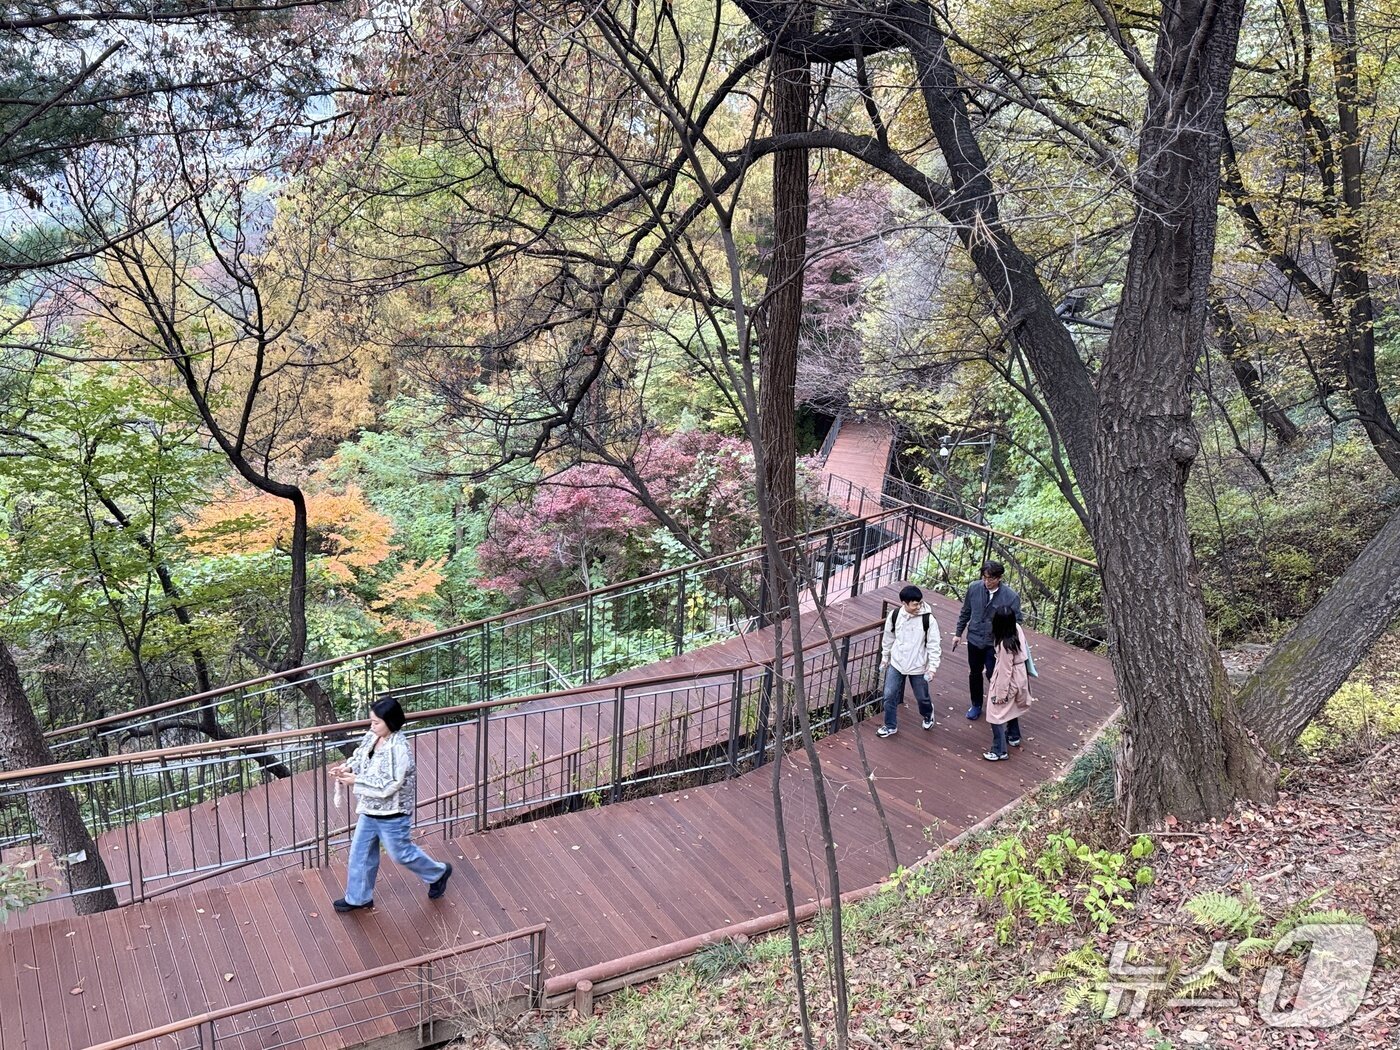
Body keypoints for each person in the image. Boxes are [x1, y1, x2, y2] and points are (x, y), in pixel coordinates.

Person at [330, 697, 452, 913]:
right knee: (360, 853)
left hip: (393, 814)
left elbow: (389, 785)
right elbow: (360, 758)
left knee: (401, 854)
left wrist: (356, 781)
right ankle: (358, 898)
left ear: (391, 722)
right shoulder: (373, 737)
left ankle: (438, 873)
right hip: (369, 810)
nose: (372, 725)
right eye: (371, 721)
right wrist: (346, 768)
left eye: (376, 722)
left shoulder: (399, 749)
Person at [951, 560, 1022, 720]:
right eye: (984, 578)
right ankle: (976, 704)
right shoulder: (974, 588)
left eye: (990, 579)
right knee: (974, 672)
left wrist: (1006, 640)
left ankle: (999, 701)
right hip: (975, 638)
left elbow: (1016, 621)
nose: (987, 582)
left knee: (993, 673)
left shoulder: (1010, 597)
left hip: (994, 643)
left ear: (999, 578)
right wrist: (958, 633)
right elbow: (966, 611)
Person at [876, 584, 941, 738]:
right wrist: (885, 657)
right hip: (897, 663)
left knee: (921, 697)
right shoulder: (895, 615)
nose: (918, 606)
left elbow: (934, 644)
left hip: (918, 666)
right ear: (904, 603)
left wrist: (932, 667)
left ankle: (927, 713)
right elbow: (888, 638)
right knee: (889, 695)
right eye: (914, 604)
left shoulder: (928, 619)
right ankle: (890, 725)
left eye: (919, 603)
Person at [983, 607, 1033, 760]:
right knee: (1011, 706)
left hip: (1010, 677)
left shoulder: (1005, 645)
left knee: (995, 713)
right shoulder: (1016, 629)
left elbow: (1005, 673)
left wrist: (1000, 695)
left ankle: (999, 750)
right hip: (1020, 674)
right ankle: (1013, 735)